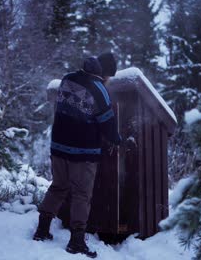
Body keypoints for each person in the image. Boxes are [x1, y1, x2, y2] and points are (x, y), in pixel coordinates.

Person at [33, 53, 121, 258]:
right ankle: (77, 242)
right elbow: (107, 124)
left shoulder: (68, 78)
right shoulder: (99, 89)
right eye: (109, 77)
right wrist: (117, 140)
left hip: (58, 146)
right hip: (83, 152)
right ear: (105, 73)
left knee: (58, 187)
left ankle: (42, 229)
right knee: (82, 195)